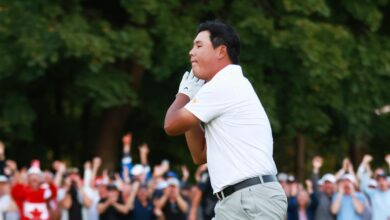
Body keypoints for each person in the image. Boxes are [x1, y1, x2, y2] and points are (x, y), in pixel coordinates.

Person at [164, 20, 287, 219]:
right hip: (238, 201)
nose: (191, 52)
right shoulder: (225, 85)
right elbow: (200, 156)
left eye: (198, 45)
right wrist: (192, 104)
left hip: (251, 200)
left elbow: (171, 125)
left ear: (221, 51)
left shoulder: (226, 82)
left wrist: (184, 96)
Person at [358, 154, 390, 220]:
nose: (381, 182)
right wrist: (364, 162)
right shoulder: (373, 193)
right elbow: (360, 180)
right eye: (379, 180)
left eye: (383, 180)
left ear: (387, 181)